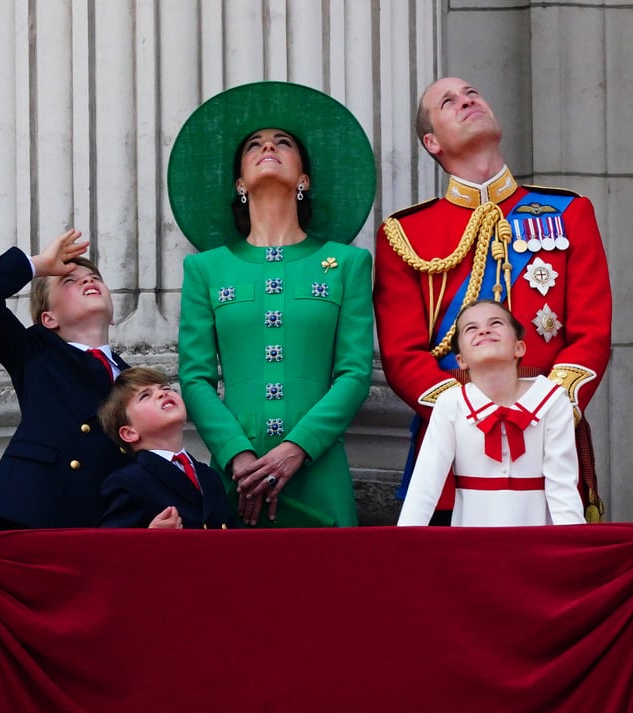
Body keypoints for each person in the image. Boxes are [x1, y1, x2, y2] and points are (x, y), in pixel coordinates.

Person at [373, 76, 612, 523]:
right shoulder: (404, 234)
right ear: (432, 142)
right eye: (449, 101)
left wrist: (542, 410)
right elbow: (402, 353)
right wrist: (468, 415)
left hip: (550, 441)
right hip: (451, 457)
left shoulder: (568, 213)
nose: (467, 101)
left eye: (473, 94)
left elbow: (592, 333)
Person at [167, 81, 376, 527]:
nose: (268, 145)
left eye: (283, 142)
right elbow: (196, 377)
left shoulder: (347, 264)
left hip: (318, 468)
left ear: (305, 179)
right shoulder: (206, 269)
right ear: (239, 182)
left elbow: (355, 372)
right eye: (254, 145)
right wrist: (235, 454)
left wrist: (297, 447)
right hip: (237, 478)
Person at [0, 230, 130, 529]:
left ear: (112, 315)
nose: (88, 280)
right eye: (69, 280)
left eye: (95, 278)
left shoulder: (134, 380)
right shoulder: (35, 352)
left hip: (102, 518)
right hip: (33, 506)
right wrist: (38, 265)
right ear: (48, 318)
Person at [397, 300, 585, 526]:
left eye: (496, 323)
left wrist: (574, 550)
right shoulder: (450, 404)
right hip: (471, 547)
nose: (484, 330)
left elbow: (563, 490)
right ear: (461, 360)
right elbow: (425, 486)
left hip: (537, 546)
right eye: (471, 328)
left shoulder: (553, 401)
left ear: (519, 348)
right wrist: (405, 548)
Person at [97, 367, 238, 529]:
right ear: (130, 433)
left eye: (166, 388)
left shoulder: (209, 476)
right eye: (145, 396)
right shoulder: (128, 482)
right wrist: (150, 538)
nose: (162, 393)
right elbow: (109, 547)